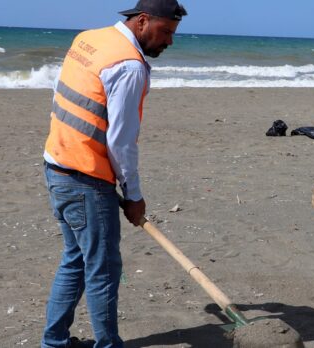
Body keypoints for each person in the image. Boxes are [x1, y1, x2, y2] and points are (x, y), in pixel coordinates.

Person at [41, 0, 186, 347]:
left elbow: (62, 97)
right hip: (85, 178)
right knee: (103, 271)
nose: (169, 41)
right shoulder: (129, 67)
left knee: (76, 261)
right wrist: (133, 195)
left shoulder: (89, 39)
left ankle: (54, 341)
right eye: (165, 31)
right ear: (142, 21)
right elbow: (121, 142)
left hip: (56, 164)